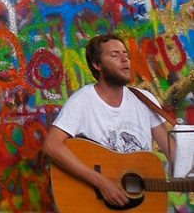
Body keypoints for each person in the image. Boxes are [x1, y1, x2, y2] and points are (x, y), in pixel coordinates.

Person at [43, 34, 175, 208]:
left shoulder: (145, 99)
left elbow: (173, 153)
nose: (124, 59)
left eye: (125, 54)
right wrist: (101, 181)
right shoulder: (83, 101)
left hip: (138, 204)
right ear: (97, 65)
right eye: (114, 55)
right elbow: (51, 146)